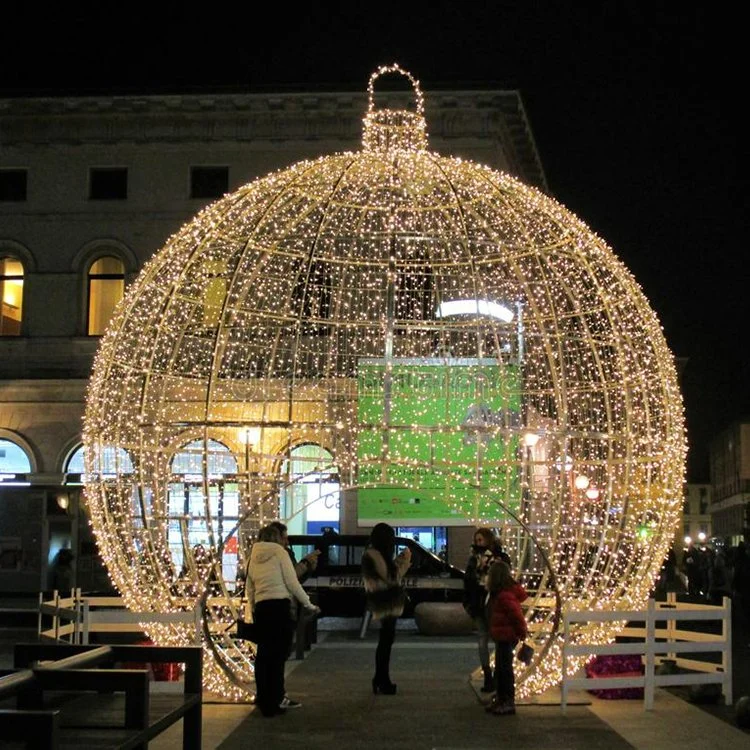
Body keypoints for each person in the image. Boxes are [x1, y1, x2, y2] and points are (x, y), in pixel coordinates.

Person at [246, 524, 320, 717]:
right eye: (284, 537)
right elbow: (292, 582)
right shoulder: (280, 553)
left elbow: (250, 585)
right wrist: (309, 603)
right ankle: (275, 700)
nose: (286, 541)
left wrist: (254, 607)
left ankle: (263, 699)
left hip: (262, 608)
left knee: (263, 657)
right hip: (279, 608)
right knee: (277, 657)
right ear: (277, 537)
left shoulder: (254, 554)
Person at [361, 522, 411, 695]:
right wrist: (405, 562)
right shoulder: (374, 554)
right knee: (386, 642)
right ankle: (382, 680)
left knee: (386, 641)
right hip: (385, 601)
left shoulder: (374, 554)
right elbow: (392, 577)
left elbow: (387, 573)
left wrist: (398, 561)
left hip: (384, 601)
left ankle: (380, 678)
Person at [463, 528, 510, 692]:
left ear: (488, 540)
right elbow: (468, 581)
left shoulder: (500, 557)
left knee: (498, 640)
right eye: (476, 540)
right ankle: (488, 675)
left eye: (481, 540)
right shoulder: (473, 559)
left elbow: (505, 577)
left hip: (494, 603)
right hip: (478, 603)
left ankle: (498, 675)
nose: (478, 543)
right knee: (482, 639)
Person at [486, 560, 527, 716]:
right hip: (502, 636)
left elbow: (516, 616)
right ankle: (502, 698)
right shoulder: (500, 594)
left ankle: (507, 701)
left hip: (506, 636)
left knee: (505, 670)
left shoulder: (504, 595)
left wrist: (522, 632)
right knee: (501, 669)